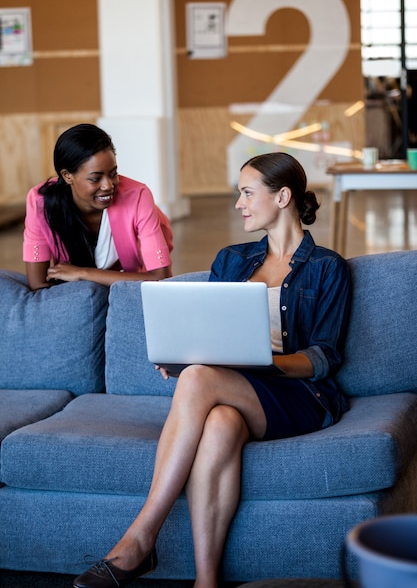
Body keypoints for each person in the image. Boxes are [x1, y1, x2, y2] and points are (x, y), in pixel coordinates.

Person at [73, 152, 352, 588]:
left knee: (199, 377)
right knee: (220, 422)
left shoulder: (327, 267)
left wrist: (258, 361)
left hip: (301, 397)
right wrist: (184, 354)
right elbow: (209, 333)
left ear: (282, 197)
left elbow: (322, 358)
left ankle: (141, 538)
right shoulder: (231, 260)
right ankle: (207, 581)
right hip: (236, 391)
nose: (238, 204)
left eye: (246, 193)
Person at [23, 123, 173, 290]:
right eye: (95, 178)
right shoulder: (40, 202)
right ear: (67, 176)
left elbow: (160, 279)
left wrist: (83, 273)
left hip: (131, 283)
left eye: (113, 174)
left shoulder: (138, 197)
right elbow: (38, 283)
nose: (108, 185)